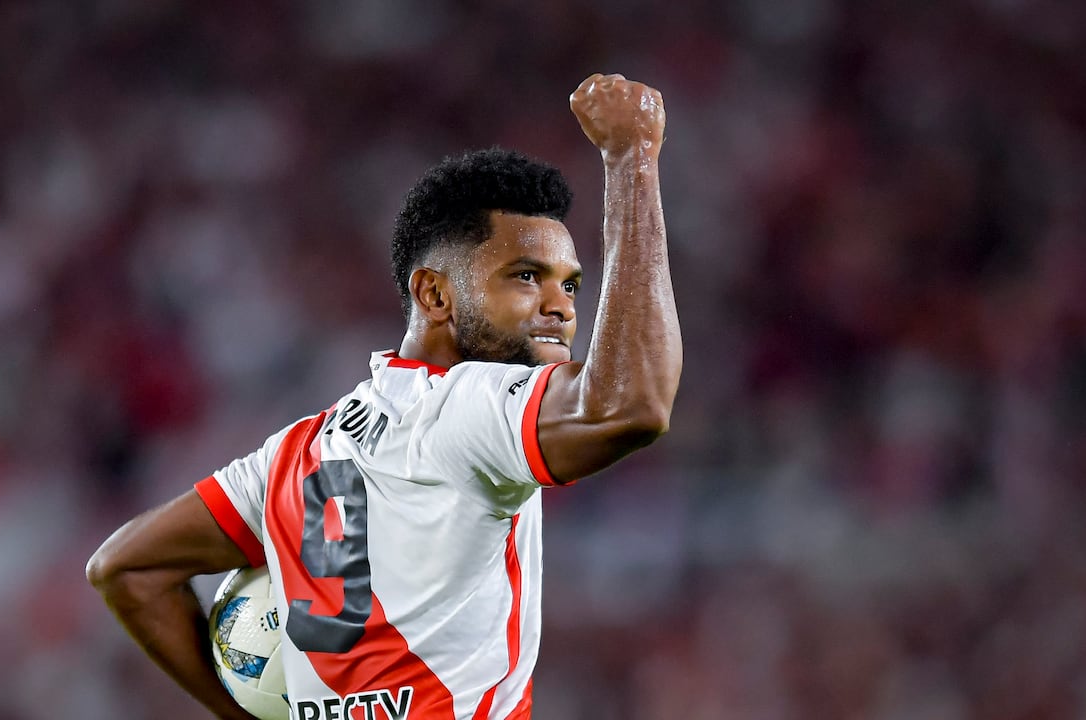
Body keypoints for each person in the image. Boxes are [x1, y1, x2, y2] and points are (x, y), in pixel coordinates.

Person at [86, 72, 681, 720]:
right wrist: (632, 161)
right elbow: (630, 405)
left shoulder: (295, 454)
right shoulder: (466, 406)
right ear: (434, 295)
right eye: (526, 277)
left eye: (570, 285)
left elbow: (126, 570)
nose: (561, 308)